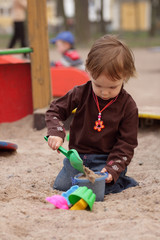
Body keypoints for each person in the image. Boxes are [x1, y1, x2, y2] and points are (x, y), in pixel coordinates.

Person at [45, 35, 139, 194]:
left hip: (107, 159)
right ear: (88, 70)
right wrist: (56, 132)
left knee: (98, 189)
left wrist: (111, 168)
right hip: (77, 158)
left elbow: (127, 144)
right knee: (61, 186)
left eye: (112, 87)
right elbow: (55, 110)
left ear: (126, 76)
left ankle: (120, 180)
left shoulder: (128, 106)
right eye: (98, 85)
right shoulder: (80, 93)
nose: (104, 92)